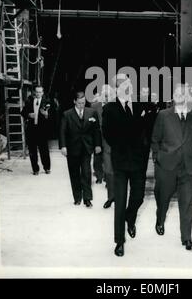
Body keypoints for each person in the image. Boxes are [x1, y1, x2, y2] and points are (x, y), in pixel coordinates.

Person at [151, 83, 192, 251]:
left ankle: (187, 238)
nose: (180, 94)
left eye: (184, 92)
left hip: (188, 167)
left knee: (187, 202)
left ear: (188, 96)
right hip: (167, 166)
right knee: (163, 199)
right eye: (177, 92)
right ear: (173, 96)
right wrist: (157, 158)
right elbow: (155, 139)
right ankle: (160, 219)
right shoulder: (163, 115)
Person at [102, 74, 146, 257]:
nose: (127, 88)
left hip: (138, 162)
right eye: (123, 85)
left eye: (129, 84)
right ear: (117, 88)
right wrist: (129, 134)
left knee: (139, 197)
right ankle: (119, 241)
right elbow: (109, 134)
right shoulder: (109, 109)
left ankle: (130, 217)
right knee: (119, 202)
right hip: (120, 162)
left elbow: (145, 130)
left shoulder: (140, 106)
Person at [59, 91, 102, 207]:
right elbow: (62, 132)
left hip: (87, 148)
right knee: (74, 174)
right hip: (72, 148)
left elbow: (96, 130)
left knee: (86, 173)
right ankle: (77, 197)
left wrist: (98, 145)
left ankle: (87, 198)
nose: (81, 105)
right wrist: (63, 146)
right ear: (74, 101)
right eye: (79, 103)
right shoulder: (67, 114)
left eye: (83, 103)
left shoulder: (92, 113)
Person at [91, 84, 115, 209]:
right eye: (104, 94)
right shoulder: (95, 107)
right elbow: (92, 127)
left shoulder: (119, 106)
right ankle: (111, 197)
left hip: (118, 143)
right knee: (109, 170)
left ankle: (119, 195)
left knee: (119, 171)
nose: (106, 97)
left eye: (108, 94)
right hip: (102, 142)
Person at [21, 85, 51, 175]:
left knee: (44, 150)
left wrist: (46, 115)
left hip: (42, 130)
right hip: (32, 129)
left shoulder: (47, 102)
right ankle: (35, 169)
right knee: (32, 150)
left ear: (42, 93)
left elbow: (53, 116)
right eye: (36, 92)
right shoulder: (29, 101)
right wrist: (29, 115)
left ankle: (47, 168)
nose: (38, 94)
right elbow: (23, 112)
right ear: (34, 92)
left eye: (40, 92)